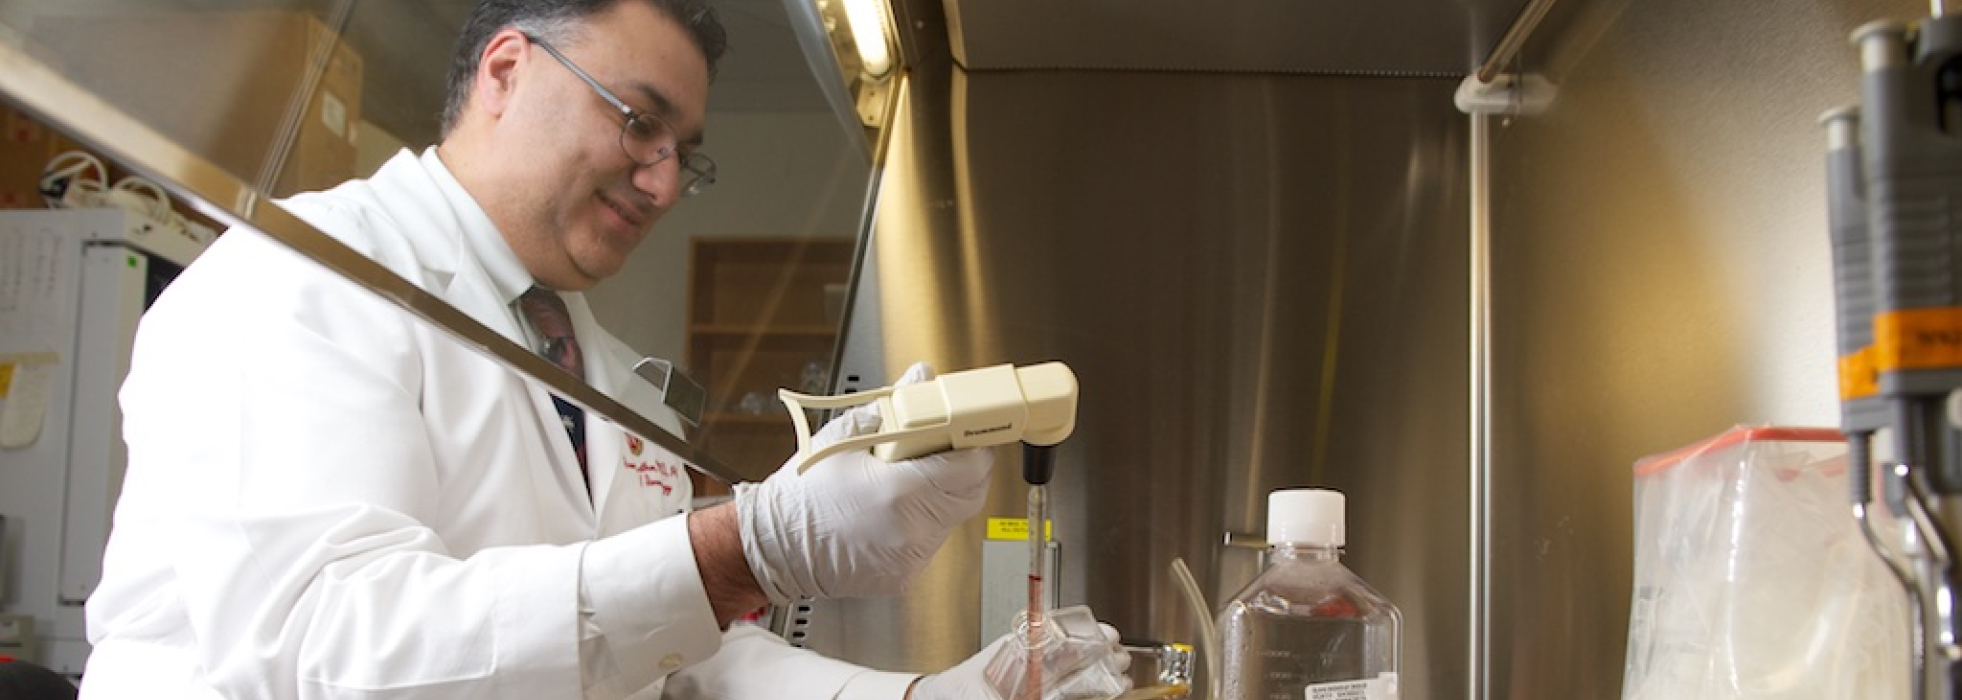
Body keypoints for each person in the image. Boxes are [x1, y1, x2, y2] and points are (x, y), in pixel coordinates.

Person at [76, 1, 1129, 699]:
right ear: (504, 68)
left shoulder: (599, 371)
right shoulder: (307, 277)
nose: (663, 181)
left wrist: (914, 696)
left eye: (683, 155)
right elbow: (326, 648)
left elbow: (682, 659)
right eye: (638, 122)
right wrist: (743, 549)